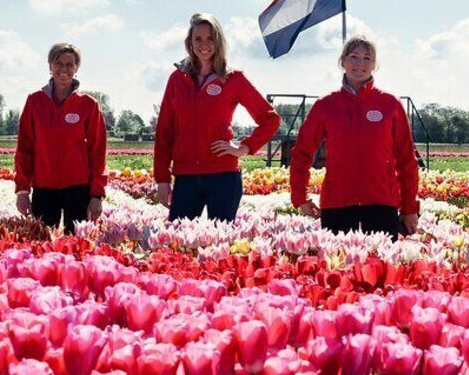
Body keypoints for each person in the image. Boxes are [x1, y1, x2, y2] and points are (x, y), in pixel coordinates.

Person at [154, 13, 280, 222]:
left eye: (210, 38)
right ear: (190, 43)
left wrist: (244, 147)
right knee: (178, 241)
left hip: (223, 176)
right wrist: (162, 179)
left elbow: (270, 119)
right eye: (198, 39)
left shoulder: (234, 78)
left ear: (219, 41)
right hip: (186, 177)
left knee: (220, 245)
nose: (204, 44)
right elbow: (164, 131)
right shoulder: (177, 79)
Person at [289, 35, 419, 237]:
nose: (360, 63)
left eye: (367, 58)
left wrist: (410, 208)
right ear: (343, 62)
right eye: (353, 56)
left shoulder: (390, 104)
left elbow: (406, 160)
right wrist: (299, 197)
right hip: (337, 203)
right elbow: (301, 152)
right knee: (337, 267)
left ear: (374, 65)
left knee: (380, 268)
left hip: (381, 203)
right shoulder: (326, 105)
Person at [14, 43, 107, 234]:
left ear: (76, 68)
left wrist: (97, 194)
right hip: (43, 188)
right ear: (50, 65)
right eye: (58, 63)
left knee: (78, 249)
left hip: (79, 190)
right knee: (41, 247)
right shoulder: (34, 102)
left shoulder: (88, 105)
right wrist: (22, 191)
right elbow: (24, 149)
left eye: (69, 64)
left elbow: (98, 152)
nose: (63, 69)